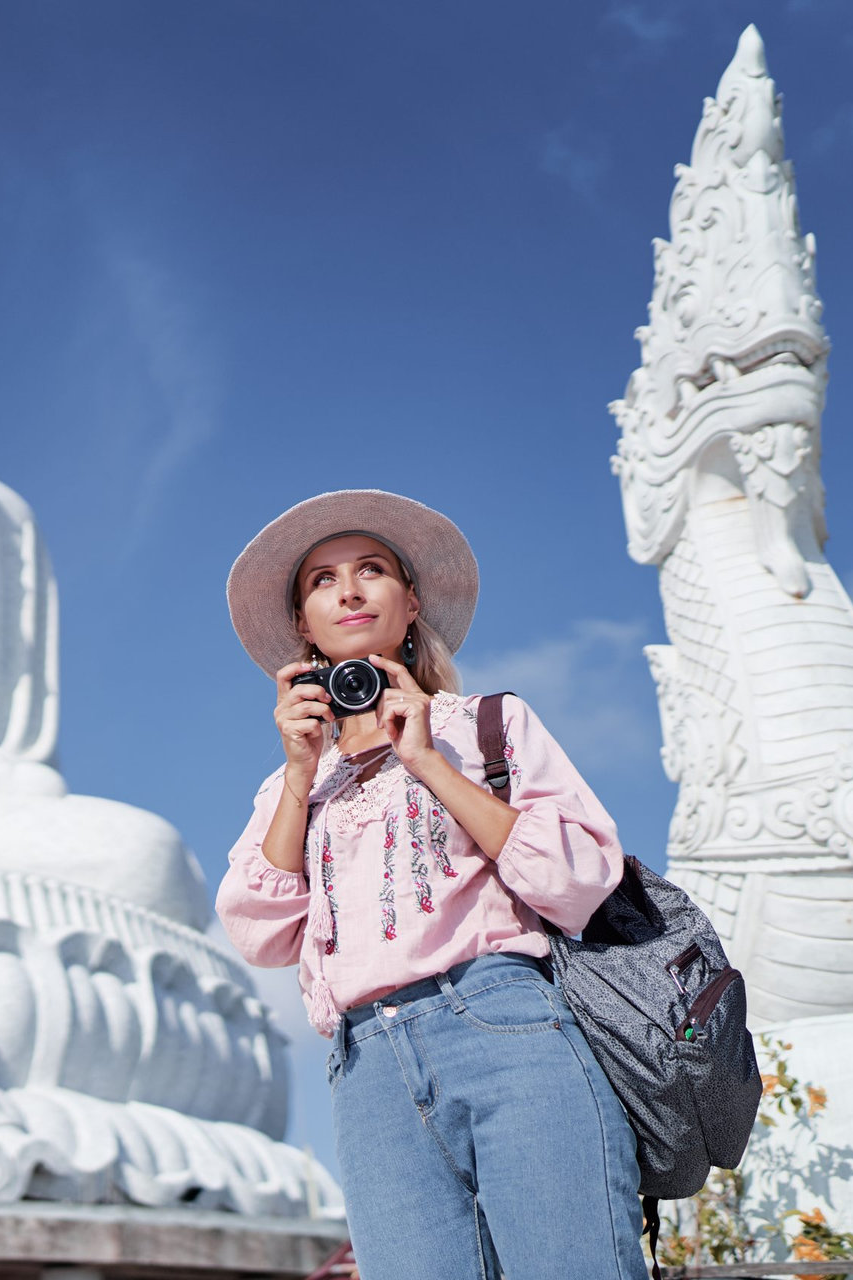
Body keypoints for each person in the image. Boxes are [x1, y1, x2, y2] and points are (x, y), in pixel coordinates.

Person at [216, 489, 649, 1280]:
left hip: (506, 1025)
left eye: (371, 570)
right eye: (322, 581)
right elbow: (259, 930)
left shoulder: (486, 726)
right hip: (367, 1067)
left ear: (410, 603)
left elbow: (580, 877)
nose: (347, 590)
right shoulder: (295, 784)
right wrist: (300, 770)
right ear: (303, 628)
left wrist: (427, 762)